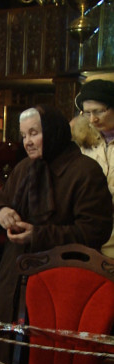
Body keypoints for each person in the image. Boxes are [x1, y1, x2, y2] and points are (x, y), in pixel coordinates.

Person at [0, 105, 112, 364]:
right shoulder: (24, 168)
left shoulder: (85, 171)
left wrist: (38, 235)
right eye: (23, 135)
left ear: (53, 132)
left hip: (62, 277)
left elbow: (94, 231)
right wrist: (0, 213)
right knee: (11, 354)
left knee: (48, 360)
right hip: (16, 272)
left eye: (34, 133)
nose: (28, 142)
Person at [75, 79, 114, 257]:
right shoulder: (83, 144)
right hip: (91, 235)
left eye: (99, 111)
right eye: (87, 113)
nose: (93, 119)